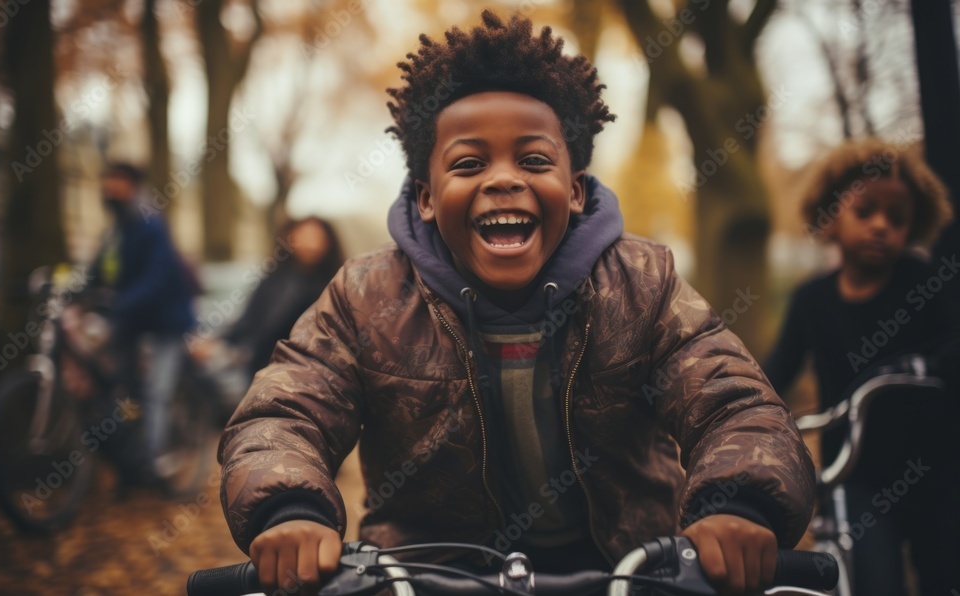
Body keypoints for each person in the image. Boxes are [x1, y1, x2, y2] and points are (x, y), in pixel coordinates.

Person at [218, 11, 815, 595]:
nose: (504, 179)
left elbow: (733, 401)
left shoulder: (642, 283)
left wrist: (736, 501)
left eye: (533, 160)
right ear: (425, 198)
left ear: (576, 190)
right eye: (469, 163)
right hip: (433, 570)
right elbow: (283, 412)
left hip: (623, 564)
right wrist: (290, 507)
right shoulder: (364, 296)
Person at [763, 139, 959, 595]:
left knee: (945, 575)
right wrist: (750, 412)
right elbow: (773, 375)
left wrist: (929, 363)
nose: (880, 226)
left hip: (937, 468)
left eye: (896, 218)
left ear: (912, 229)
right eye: (865, 211)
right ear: (829, 218)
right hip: (856, 474)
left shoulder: (925, 283)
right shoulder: (812, 300)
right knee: (871, 578)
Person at [92, 162, 197, 484]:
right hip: (134, 322)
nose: (110, 187)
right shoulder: (115, 230)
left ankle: (155, 463)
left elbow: (159, 275)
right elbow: (98, 270)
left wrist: (121, 302)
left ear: (134, 186)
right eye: (107, 179)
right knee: (115, 384)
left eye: (117, 180)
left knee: (157, 392)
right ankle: (128, 457)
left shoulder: (150, 222)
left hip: (166, 323)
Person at [222, 217, 345, 380]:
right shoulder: (274, 280)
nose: (311, 243)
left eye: (317, 237)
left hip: (318, 374)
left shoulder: (337, 283)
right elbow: (251, 320)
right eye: (304, 236)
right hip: (267, 369)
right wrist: (223, 341)